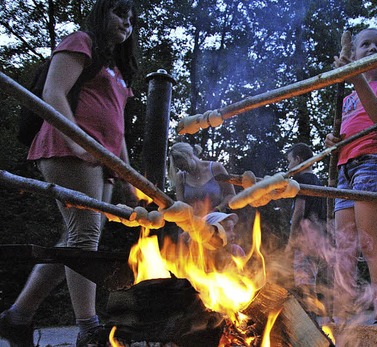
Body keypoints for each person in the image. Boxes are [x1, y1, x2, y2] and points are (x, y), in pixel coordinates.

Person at [0, 1, 138, 346]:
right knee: (85, 237)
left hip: (101, 163)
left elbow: (117, 127)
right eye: (120, 13)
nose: (127, 22)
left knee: (75, 240)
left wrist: (128, 176)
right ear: (102, 13)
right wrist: (76, 143)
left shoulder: (118, 72)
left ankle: (17, 318)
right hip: (69, 152)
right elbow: (53, 93)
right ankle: (88, 329)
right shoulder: (80, 42)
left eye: (131, 18)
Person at [324, 28, 377, 325]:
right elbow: (348, 134)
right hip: (346, 168)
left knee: (371, 244)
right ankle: (341, 314)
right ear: (354, 52)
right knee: (344, 247)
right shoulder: (345, 100)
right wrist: (336, 141)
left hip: (372, 164)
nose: (372, 48)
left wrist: (355, 76)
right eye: (365, 44)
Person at [285, 143, 332, 322]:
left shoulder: (301, 181)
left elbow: (299, 211)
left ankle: (309, 320)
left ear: (298, 159)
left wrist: (291, 241)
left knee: (304, 281)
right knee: (310, 278)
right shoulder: (317, 181)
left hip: (305, 239)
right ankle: (311, 316)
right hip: (318, 237)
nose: (289, 167)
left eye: (290, 162)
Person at [168, 142, 236, 216]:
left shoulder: (216, 168)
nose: (183, 169)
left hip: (218, 220)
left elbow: (230, 195)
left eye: (182, 165)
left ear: (189, 155)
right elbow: (181, 205)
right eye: (179, 168)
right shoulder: (181, 177)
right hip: (194, 223)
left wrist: (218, 209)